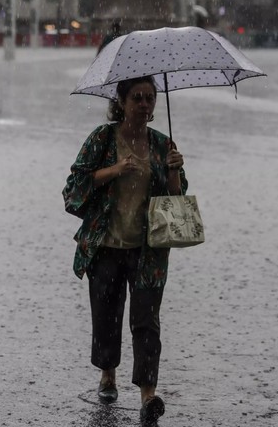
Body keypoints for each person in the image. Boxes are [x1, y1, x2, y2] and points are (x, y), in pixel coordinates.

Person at [62, 75, 187, 424]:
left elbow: (175, 204)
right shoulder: (102, 139)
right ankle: (108, 374)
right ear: (121, 101)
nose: (145, 105)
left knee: (146, 320)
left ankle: (148, 393)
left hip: (148, 251)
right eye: (138, 98)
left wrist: (174, 171)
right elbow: (74, 187)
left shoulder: (163, 145)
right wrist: (115, 169)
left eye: (150, 98)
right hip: (105, 245)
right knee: (106, 313)